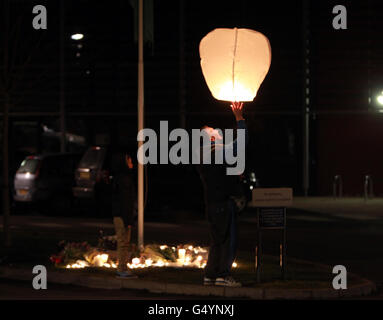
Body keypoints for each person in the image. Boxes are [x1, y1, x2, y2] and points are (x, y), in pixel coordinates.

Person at [196, 102, 248, 287]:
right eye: (213, 132)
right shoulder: (217, 151)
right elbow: (241, 143)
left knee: (216, 241)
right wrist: (239, 118)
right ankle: (223, 275)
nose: (218, 132)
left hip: (210, 204)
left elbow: (219, 174)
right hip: (222, 204)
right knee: (227, 240)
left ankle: (210, 275)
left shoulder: (203, 155)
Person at [111, 151, 137, 279]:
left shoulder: (120, 178)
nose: (132, 163)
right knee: (123, 242)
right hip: (122, 216)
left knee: (124, 242)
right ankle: (121, 268)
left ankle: (123, 267)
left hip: (121, 215)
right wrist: (128, 220)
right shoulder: (124, 180)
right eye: (129, 161)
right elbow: (125, 201)